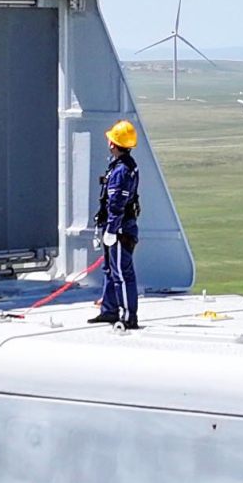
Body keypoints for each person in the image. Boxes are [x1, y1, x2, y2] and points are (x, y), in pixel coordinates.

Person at [90, 121, 144, 329]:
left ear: (114, 143)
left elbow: (117, 203)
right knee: (111, 270)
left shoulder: (121, 170)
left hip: (120, 229)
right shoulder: (124, 166)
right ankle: (110, 310)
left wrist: (112, 229)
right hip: (117, 227)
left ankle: (128, 316)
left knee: (121, 272)